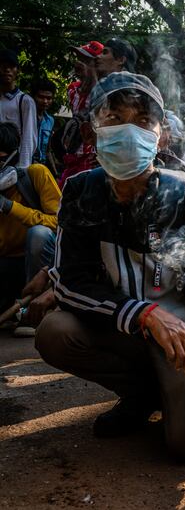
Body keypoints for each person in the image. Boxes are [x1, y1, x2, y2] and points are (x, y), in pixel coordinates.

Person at [34, 72, 185, 460]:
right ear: (92, 134)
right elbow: (70, 283)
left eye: (142, 120)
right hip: (131, 332)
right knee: (54, 332)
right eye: (113, 119)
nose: (128, 132)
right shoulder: (81, 193)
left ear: (162, 136)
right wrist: (144, 314)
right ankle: (144, 395)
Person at [0, 122, 60, 337]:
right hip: (6, 266)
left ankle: (32, 313)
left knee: (39, 233)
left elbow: (58, 222)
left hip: (36, 268)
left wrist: (11, 208)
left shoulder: (35, 175)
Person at [59, 40, 104, 187]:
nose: (79, 63)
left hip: (93, 161)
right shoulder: (72, 91)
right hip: (72, 158)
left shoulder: (106, 93)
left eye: (85, 60)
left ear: (97, 65)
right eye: (78, 58)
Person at [0, 50, 37, 168]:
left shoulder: (25, 101)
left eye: (11, 67)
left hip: (13, 163)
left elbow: (28, 137)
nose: (7, 70)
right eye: (3, 67)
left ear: (18, 71)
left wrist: (23, 168)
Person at [31, 78, 57, 170]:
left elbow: (48, 150)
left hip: (42, 165)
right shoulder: (25, 117)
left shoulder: (50, 120)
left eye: (49, 98)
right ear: (33, 97)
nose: (45, 101)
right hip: (26, 164)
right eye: (41, 97)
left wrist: (55, 172)